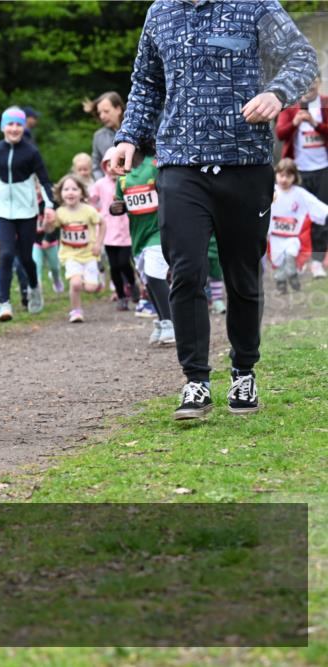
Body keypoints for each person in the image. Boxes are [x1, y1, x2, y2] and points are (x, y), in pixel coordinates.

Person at [112, 0, 318, 420]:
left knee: (242, 274)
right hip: (180, 164)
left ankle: (244, 370)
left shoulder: (255, 6)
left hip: (245, 162)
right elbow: (146, 83)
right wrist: (128, 136)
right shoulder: (160, 13)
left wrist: (276, 93)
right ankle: (196, 381)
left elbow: (302, 57)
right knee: (185, 270)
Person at [0, 106, 57, 321]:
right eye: (10, 124)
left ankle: (34, 287)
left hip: (27, 211)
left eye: (18, 124)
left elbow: (44, 180)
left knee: (26, 257)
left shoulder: (31, 152)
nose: (14, 128)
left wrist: (50, 206)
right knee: (5, 255)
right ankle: (4, 303)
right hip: (3, 210)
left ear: (23, 127)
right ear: (3, 127)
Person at [110, 144, 175, 347]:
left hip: (159, 230)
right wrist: (116, 208)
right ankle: (163, 322)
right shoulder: (122, 175)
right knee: (147, 280)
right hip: (138, 236)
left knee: (155, 274)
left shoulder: (154, 165)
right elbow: (119, 203)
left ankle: (173, 324)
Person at [276, 76, 328, 278]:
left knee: (321, 215)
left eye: (313, 82)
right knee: (296, 216)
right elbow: (280, 133)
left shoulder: (324, 104)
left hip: (323, 168)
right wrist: (295, 123)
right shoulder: (291, 107)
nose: (309, 86)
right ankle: (297, 260)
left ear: (319, 83)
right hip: (298, 172)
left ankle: (316, 261)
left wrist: (315, 124)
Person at [43, 174, 102, 323]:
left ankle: (96, 284)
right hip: (70, 255)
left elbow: (103, 224)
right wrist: (47, 222)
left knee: (89, 288)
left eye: (74, 189)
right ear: (60, 193)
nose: (70, 192)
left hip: (89, 255)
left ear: (81, 192)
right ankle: (76, 311)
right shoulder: (60, 212)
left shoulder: (88, 210)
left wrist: (98, 244)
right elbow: (49, 230)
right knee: (75, 283)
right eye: (66, 189)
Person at [268, 158, 328, 293]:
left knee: (290, 254)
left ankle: (292, 273)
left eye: (288, 176)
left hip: (292, 237)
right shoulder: (271, 192)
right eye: (281, 175)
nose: (284, 179)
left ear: (294, 177)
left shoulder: (299, 194)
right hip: (275, 236)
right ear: (276, 175)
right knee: (277, 261)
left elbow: (315, 204)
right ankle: (281, 285)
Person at [91, 148, 139, 311]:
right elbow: (92, 201)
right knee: (114, 266)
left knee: (124, 262)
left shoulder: (128, 180)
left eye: (118, 163)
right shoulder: (100, 184)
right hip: (108, 231)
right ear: (105, 166)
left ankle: (132, 285)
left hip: (126, 229)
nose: (113, 167)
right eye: (109, 164)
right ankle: (121, 297)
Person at [86, 91, 124, 180]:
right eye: (100, 113)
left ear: (118, 109)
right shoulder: (98, 136)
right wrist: (104, 184)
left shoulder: (135, 130)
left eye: (106, 111)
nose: (102, 116)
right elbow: (96, 167)